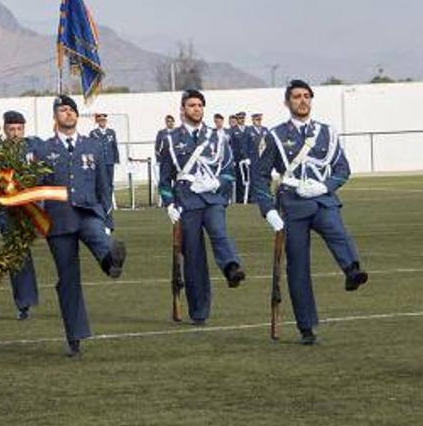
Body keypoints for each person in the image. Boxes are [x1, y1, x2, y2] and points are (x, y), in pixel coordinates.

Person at [253, 79, 368, 345]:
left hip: (322, 199)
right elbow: (260, 177)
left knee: (337, 230)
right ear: (287, 102)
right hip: (292, 205)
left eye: (306, 96)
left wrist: (324, 186)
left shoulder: (327, 132)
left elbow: (343, 169)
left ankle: (352, 270)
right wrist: (268, 210)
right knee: (298, 267)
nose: (302, 100)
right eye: (296, 96)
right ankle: (306, 325)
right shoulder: (274, 135)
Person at [31, 94, 127, 357]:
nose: (68, 113)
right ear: (55, 117)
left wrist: (108, 219)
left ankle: (111, 262)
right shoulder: (43, 149)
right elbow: (37, 187)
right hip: (58, 219)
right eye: (62, 110)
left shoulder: (93, 146)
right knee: (68, 278)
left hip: (87, 211)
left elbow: (103, 184)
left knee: (100, 238)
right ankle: (75, 336)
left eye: (71, 109)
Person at [158, 89, 245, 325]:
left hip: (213, 198)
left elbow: (228, 170)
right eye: (191, 105)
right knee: (194, 258)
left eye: (199, 105)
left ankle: (231, 267)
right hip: (186, 202)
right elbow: (165, 179)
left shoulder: (217, 137)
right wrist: (169, 204)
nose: (196, 109)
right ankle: (199, 311)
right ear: (182, 109)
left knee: (219, 231)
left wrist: (217, 182)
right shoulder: (170, 140)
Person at [0, 110, 40, 320]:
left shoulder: (35, 147)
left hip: (37, 209)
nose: (15, 133)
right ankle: (24, 304)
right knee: (18, 256)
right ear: (5, 130)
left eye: (19, 129)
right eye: (11, 129)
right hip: (10, 213)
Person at [88, 112, 120, 205]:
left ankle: (108, 201)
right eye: (100, 120)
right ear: (97, 121)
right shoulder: (93, 133)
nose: (102, 122)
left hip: (109, 161)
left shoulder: (111, 132)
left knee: (109, 183)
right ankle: (100, 201)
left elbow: (114, 146)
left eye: (104, 120)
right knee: (100, 182)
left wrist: (116, 159)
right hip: (99, 162)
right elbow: (91, 148)